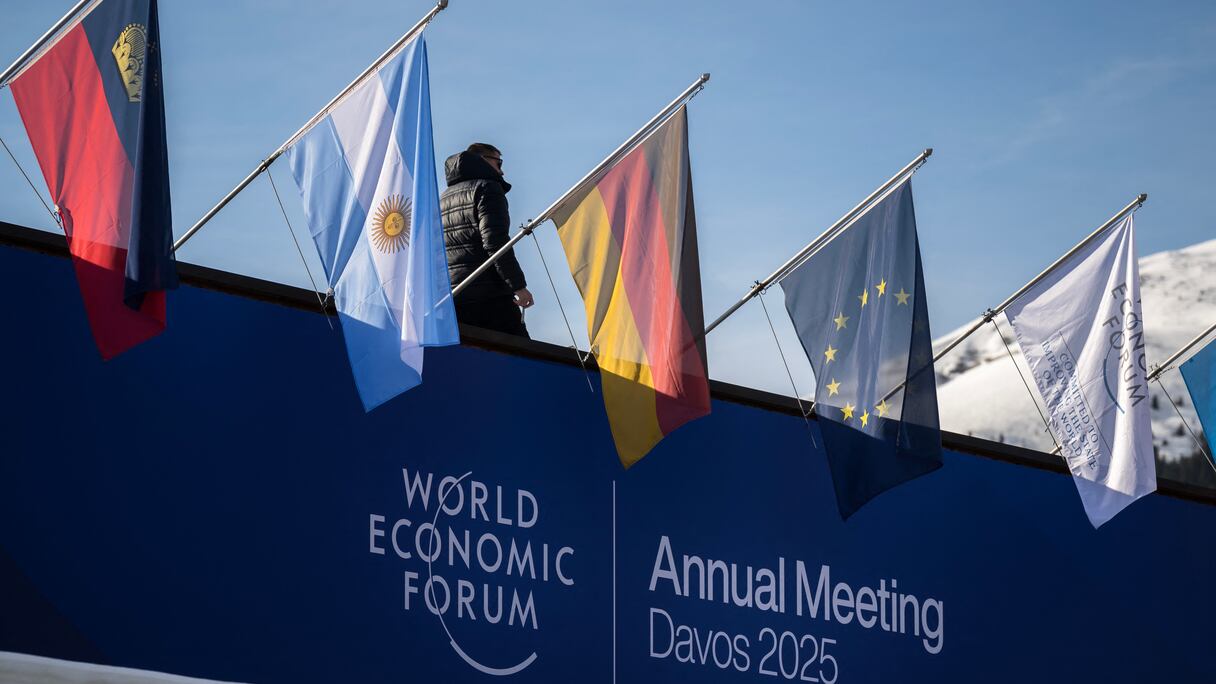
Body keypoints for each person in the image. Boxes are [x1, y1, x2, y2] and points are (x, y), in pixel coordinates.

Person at [441, 142, 534, 338]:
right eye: (498, 163)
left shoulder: (442, 199)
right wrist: (518, 285)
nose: (502, 172)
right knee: (519, 356)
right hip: (490, 294)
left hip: (453, 297)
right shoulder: (487, 189)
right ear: (482, 160)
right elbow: (495, 242)